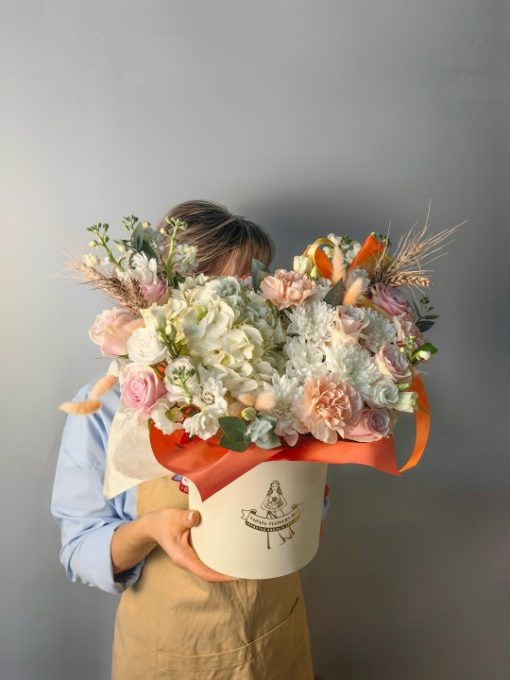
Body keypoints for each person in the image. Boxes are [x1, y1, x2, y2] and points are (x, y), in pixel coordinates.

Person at [51, 200, 329, 680]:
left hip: (274, 638)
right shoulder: (109, 406)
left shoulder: (285, 394)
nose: (245, 308)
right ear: (169, 294)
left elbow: (308, 505)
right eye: (224, 291)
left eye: (254, 289)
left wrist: (310, 501)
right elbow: (79, 547)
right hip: (170, 653)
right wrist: (151, 530)